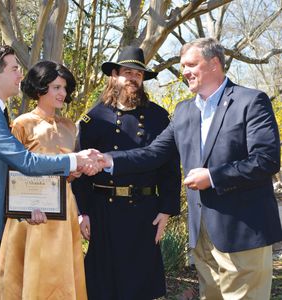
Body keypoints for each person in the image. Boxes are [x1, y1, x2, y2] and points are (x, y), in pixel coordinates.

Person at [102, 38, 282, 299]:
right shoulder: (184, 111)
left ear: (215, 63)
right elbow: (154, 153)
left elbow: (266, 159)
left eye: (191, 64)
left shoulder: (251, 101)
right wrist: (108, 160)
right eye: (182, 65)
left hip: (243, 233)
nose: (184, 71)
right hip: (202, 236)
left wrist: (212, 176)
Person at [0, 45, 101, 300]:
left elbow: (11, 170)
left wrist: (29, 207)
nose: (19, 75)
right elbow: (24, 161)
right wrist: (75, 160)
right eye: (14, 69)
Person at [72, 47, 181, 300]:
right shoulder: (94, 118)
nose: (133, 78)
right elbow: (81, 171)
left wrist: (166, 210)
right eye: (127, 72)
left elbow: (170, 167)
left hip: (144, 211)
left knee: (139, 283)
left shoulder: (158, 117)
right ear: (114, 76)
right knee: (103, 284)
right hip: (103, 210)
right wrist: (82, 212)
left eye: (138, 75)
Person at [0, 60, 87, 299]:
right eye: (56, 87)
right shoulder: (22, 124)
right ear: (40, 88)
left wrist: (75, 172)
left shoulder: (70, 126)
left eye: (65, 88)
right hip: (30, 211)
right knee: (30, 274)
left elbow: (69, 168)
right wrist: (23, 210)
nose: (62, 93)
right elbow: (11, 171)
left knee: (60, 273)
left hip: (64, 210)